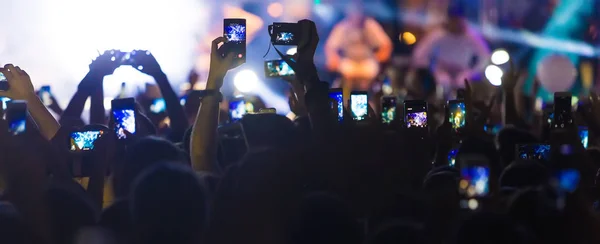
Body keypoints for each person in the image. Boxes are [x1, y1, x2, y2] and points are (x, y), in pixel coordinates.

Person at [412, 6, 491, 98]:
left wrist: (473, 72)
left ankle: (463, 106)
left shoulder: (472, 36)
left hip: (462, 70)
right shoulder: (438, 35)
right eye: (453, 20)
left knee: (462, 83)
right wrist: (430, 68)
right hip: (442, 70)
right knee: (443, 83)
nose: (455, 24)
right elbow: (419, 55)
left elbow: (485, 56)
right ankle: (441, 106)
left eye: (458, 20)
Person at [325, 2, 392, 99]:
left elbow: (386, 45)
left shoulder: (370, 25)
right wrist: (333, 59)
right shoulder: (342, 26)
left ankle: (368, 100)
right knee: (345, 72)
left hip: (367, 62)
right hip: (349, 62)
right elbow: (330, 47)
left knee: (369, 71)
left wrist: (378, 58)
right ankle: (346, 101)